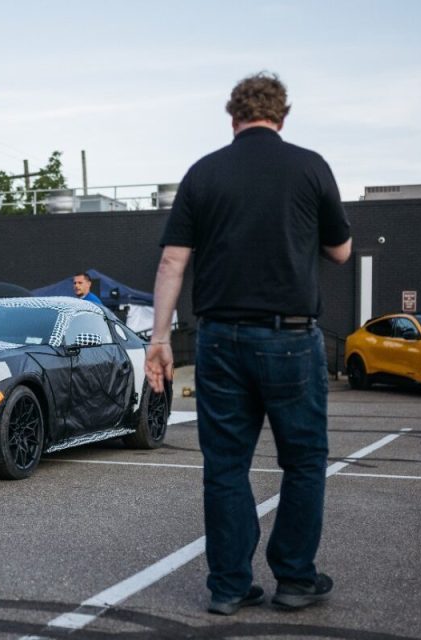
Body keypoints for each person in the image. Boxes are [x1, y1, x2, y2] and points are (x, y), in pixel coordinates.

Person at [145, 72, 352, 615]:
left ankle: (230, 585)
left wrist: (159, 339)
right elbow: (341, 251)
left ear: (233, 117)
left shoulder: (203, 173)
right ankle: (295, 579)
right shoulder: (310, 166)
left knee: (226, 464)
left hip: (218, 340)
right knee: (304, 461)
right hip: (289, 337)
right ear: (281, 117)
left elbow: (172, 261)